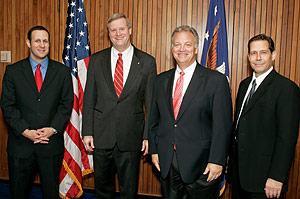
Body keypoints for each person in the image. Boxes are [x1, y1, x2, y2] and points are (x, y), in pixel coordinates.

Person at [148, 25, 232, 199]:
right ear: (172, 49)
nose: (182, 49)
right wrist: (154, 151)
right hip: (167, 161)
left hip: (202, 165)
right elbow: (154, 120)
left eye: (187, 44)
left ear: (195, 49)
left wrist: (217, 161)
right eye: (177, 45)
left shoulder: (215, 81)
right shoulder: (160, 80)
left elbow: (222, 126)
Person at [82, 13, 157, 199]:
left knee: (128, 191)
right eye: (113, 30)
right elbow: (89, 98)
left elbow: (152, 102)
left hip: (131, 136)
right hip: (101, 135)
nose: (118, 33)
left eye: (122, 29)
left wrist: (148, 136)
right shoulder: (96, 60)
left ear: (130, 31)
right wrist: (87, 132)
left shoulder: (147, 62)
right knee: (103, 190)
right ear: (108, 34)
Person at [0, 26, 74, 199]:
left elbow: (66, 105)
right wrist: (26, 131)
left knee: (50, 193)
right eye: (37, 40)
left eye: (45, 41)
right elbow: (8, 106)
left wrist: (53, 129)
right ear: (28, 43)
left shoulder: (62, 72)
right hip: (21, 145)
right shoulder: (13, 71)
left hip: (50, 144)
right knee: (17, 193)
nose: (42, 45)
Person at [230, 34, 300, 199]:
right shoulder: (244, 85)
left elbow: (287, 138)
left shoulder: (286, 89)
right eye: (253, 53)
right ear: (248, 57)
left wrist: (277, 177)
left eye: (263, 52)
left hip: (266, 181)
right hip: (240, 177)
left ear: (273, 55)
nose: (258, 57)